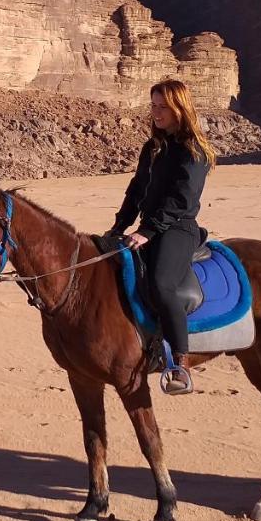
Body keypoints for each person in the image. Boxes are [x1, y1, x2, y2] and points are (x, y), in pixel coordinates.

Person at [107, 79, 215, 394]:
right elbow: (137, 190)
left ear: (179, 107)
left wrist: (147, 231)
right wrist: (119, 226)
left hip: (178, 228)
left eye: (162, 106)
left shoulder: (193, 149)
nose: (155, 112)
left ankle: (179, 363)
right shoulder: (152, 148)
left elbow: (182, 199)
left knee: (161, 284)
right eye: (153, 105)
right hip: (148, 225)